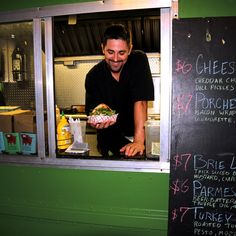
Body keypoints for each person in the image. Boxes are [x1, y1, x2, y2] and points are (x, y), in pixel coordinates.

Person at [85, 24, 154, 157]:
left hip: (136, 136)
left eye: (121, 52)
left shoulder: (138, 61)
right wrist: (98, 115)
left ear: (129, 49)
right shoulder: (93, 76)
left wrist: (139, 141)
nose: (115, 59)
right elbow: (91, 111)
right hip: (109, 141)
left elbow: (141, 102)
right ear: (102, 49)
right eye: (110, 52)